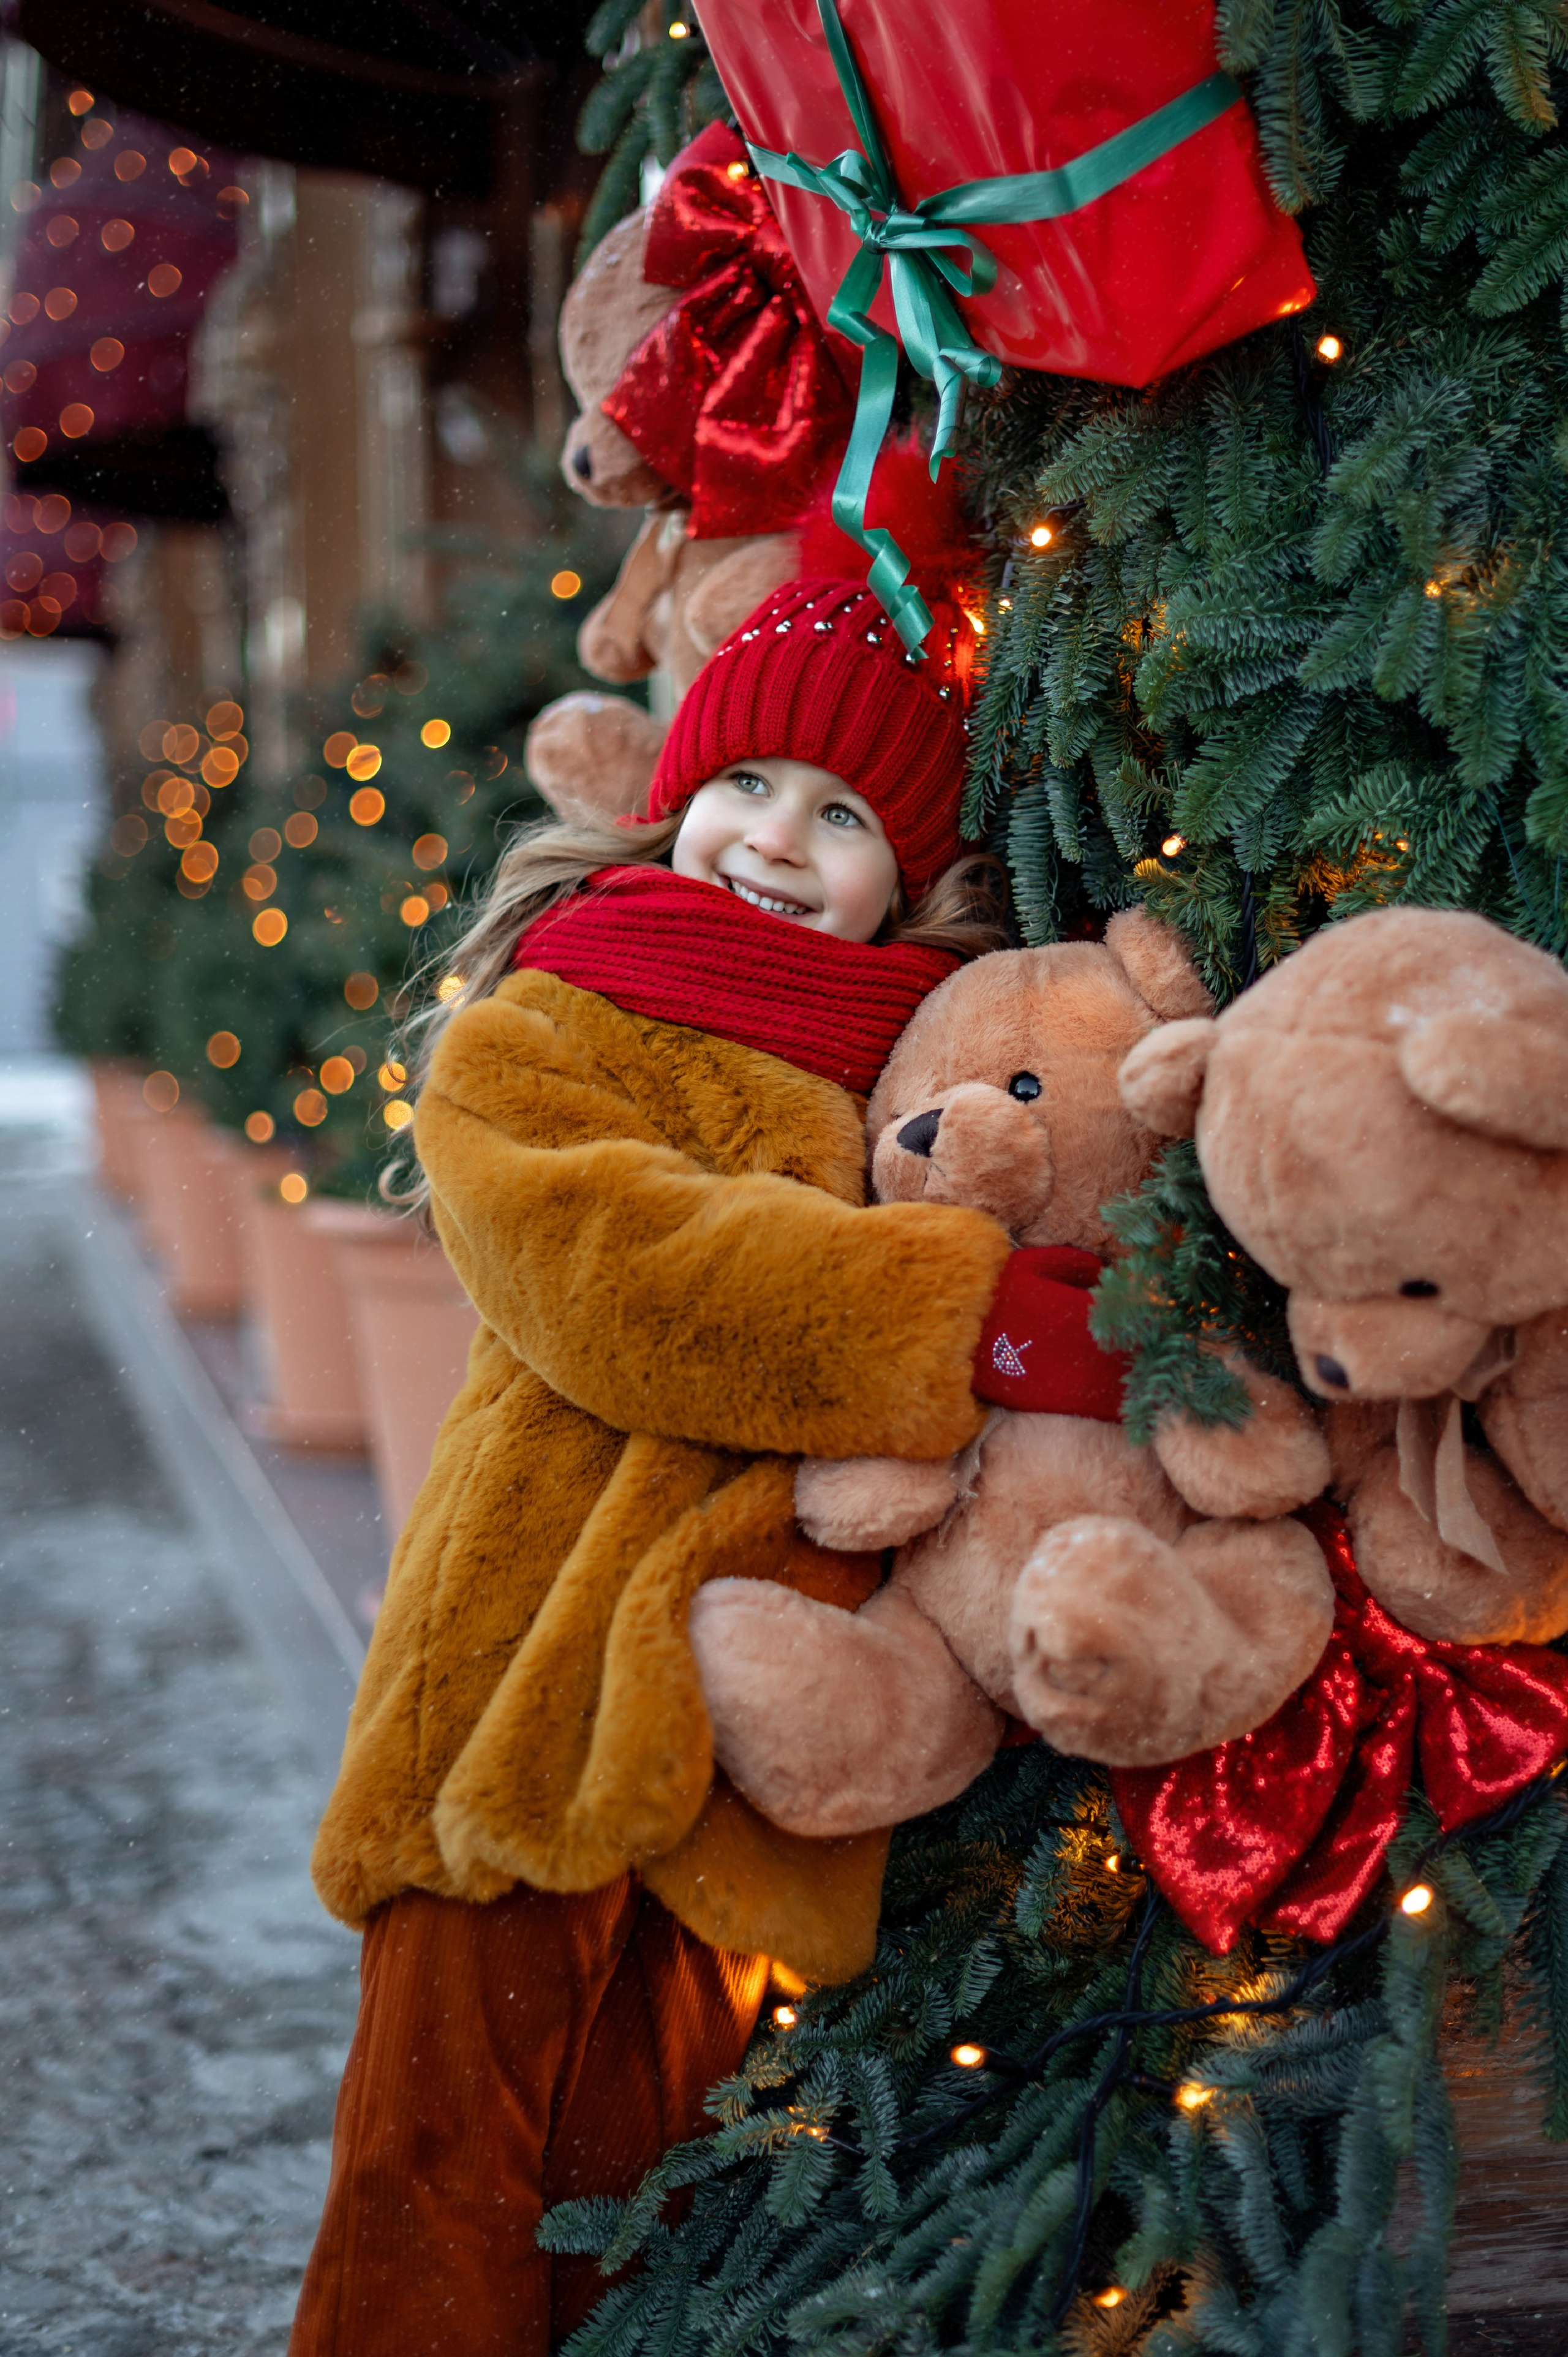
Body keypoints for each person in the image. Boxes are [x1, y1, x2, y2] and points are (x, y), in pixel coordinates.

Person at [289, 579, 1125, 2355]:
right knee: (441, 2163)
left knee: (650, 2172)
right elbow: (623, 1271)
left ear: (911, 869)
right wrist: (963, 1319)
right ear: (674, 791)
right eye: (745, 781)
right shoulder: (551, 1016)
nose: (775, 837)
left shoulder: (912, 1044)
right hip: (522, 1679)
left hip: (750, 1720)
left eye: (843, 816)